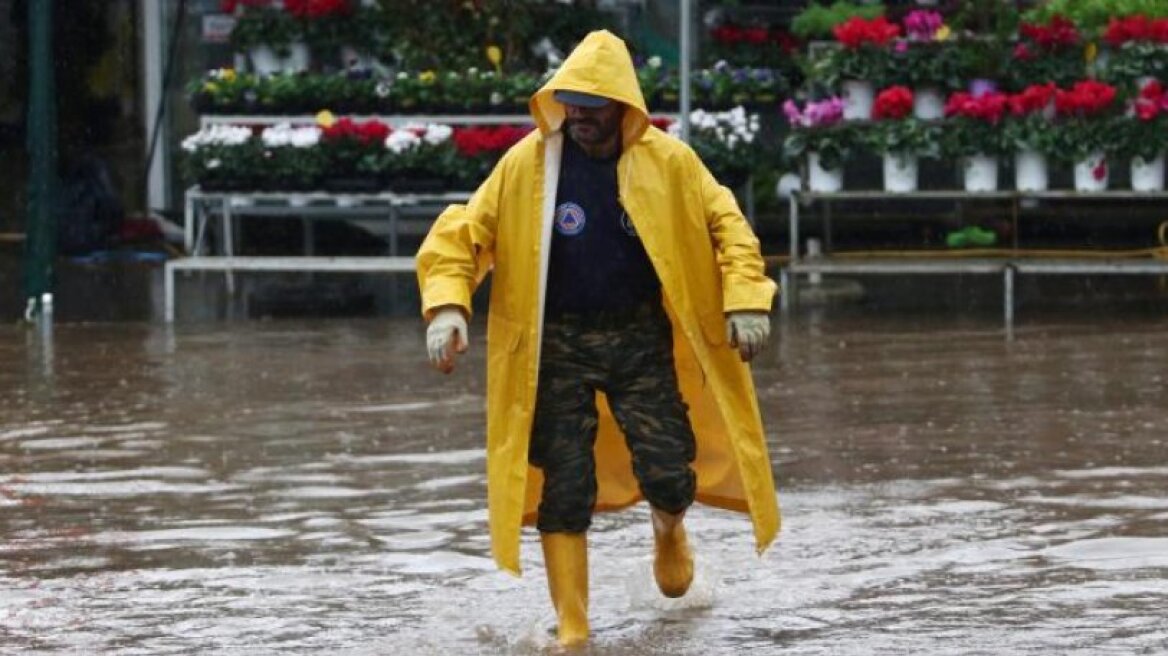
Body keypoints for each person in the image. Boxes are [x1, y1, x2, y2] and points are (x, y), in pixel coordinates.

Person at [416, 29, 779, 647]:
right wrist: (448, 307)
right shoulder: (527, 164)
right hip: (554, 347)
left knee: (669, 468)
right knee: (564, 482)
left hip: (641, 339)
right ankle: (574, 628)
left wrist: (747, 300)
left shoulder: (671, 162)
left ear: (621, 105)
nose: (578, 115)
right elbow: (462, 236)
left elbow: (731, 229)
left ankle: (669, 532)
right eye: (569, 101)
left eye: (591, 102)